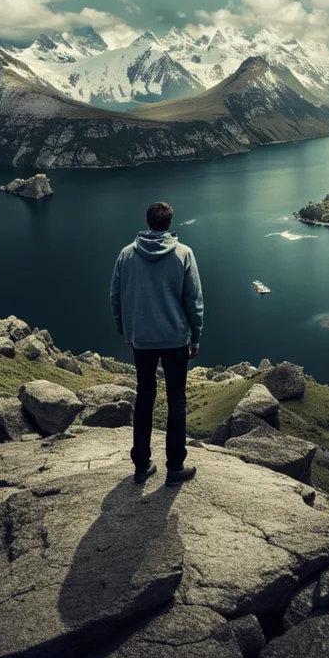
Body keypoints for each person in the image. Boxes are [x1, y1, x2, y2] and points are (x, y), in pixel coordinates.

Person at [110, 202, 204, 486]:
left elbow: (115, 296)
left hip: (142, 339)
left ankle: (141, 465)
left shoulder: (126, 254)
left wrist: (125, 331)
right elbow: (193, 301)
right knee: (177, 400)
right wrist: (195, 336)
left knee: (144, 397)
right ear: (170, 222)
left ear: (147, 222)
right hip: (175, 339)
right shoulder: (183, 254)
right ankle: (175, 467)